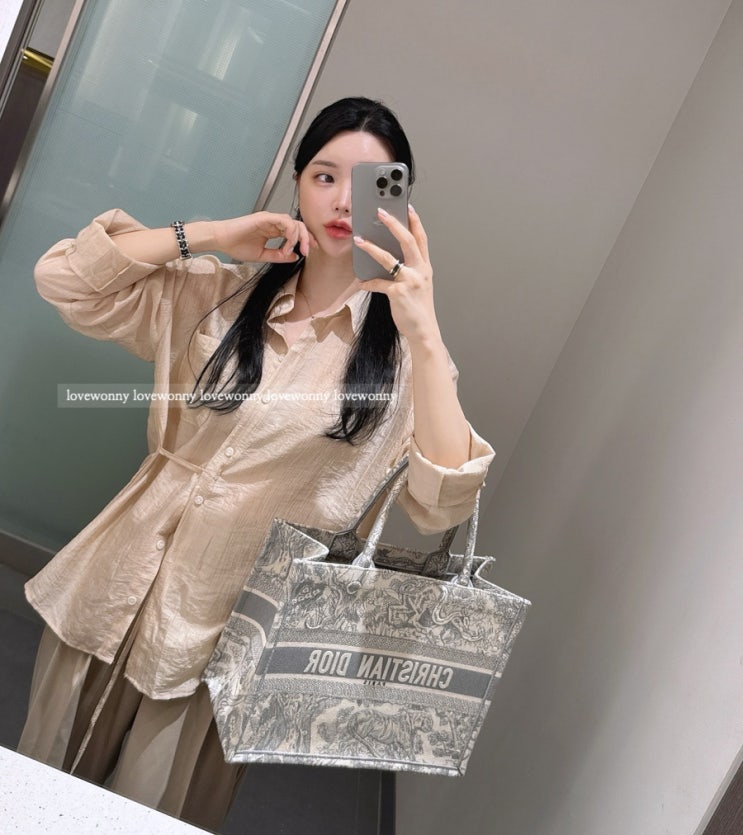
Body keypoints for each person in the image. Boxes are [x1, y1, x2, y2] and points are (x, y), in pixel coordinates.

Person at [17, 97, 494, 829]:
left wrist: (425, 332)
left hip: (231, 638)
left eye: (369, 184)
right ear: (297, 184)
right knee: (35, 793)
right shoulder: (220, 292)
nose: (343, 202)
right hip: (114, 587)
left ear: (398, 202)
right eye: (325, 176)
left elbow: (443, 501)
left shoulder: (403, 360)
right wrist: (209, 234)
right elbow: (67, 280)